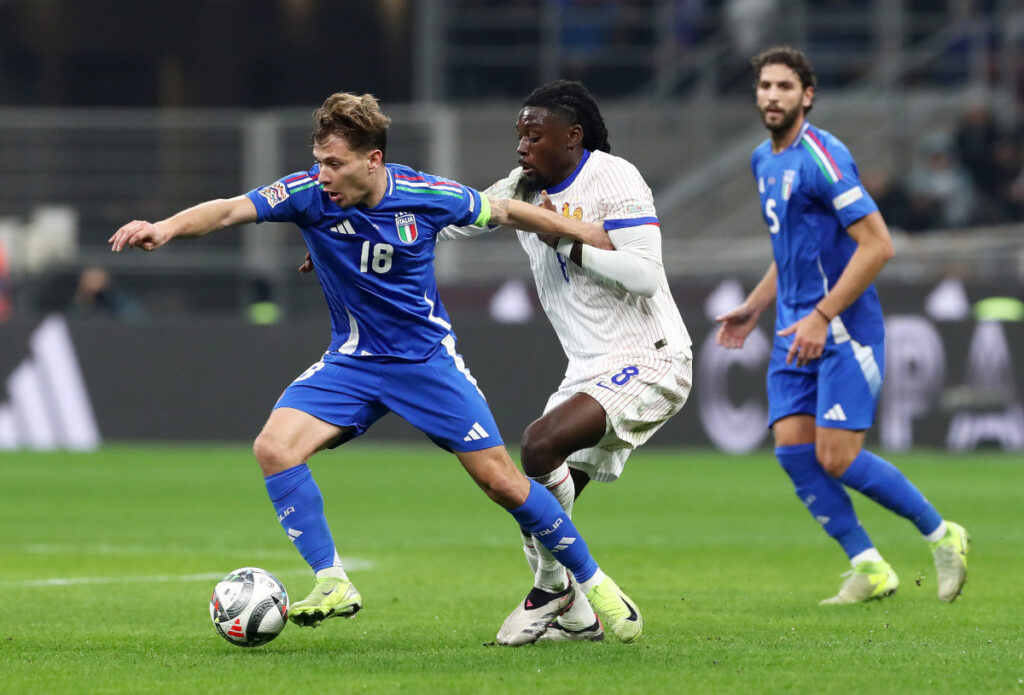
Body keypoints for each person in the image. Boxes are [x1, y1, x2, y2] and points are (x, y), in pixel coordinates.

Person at [108, 91, 644, 643]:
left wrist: (583, 231)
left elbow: (505, 211)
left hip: (425, 363)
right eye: (319, 161)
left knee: (503, 482)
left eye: (334, 163)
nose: (322, 175)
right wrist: (166, 227)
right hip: (353, 363)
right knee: (274, 447)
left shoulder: (425, 194)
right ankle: (333, 580)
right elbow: (227, 210)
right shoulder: (306, 195)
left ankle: (595, 583)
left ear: (374, 160)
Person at [715, 47, 970, 605]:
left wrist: (823, 315)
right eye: (764, 86)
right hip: (791, 329)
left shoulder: (823, 157)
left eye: (785, 87)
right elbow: (792, 251)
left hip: (842, 329)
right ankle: (870, 566)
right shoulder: (764, 159)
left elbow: (879, 246)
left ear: (807, 96)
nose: (772, 96)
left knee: (837, 457)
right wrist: (756, 305)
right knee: (793, 450)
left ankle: (943, 534)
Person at [441, 80, 692, 643]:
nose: (523, 146)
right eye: (519, 136)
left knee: (537, 445)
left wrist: (559, 237)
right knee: (536, 511)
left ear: (572, 137)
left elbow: (645, 275)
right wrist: (360, 227)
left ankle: (551, 589)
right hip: (586, 370)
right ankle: (578, 621)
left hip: (650, 356)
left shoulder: (613, 176)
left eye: (535, 135)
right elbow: (452, 220)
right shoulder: (521, 189)